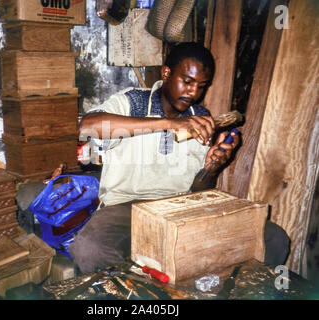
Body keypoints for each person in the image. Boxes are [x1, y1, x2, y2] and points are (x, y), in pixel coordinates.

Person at [69, 42, 289, 273]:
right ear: (166, 73)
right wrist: (168, 123)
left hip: (181, 208)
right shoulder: (131, 102)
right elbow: (88, 127)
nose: (193, 93)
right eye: (187, 81)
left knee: (272, 238)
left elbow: (199, 189)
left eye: (201, 86)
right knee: (89, 248)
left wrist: (212, 167)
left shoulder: (201, 119)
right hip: (126, 208)